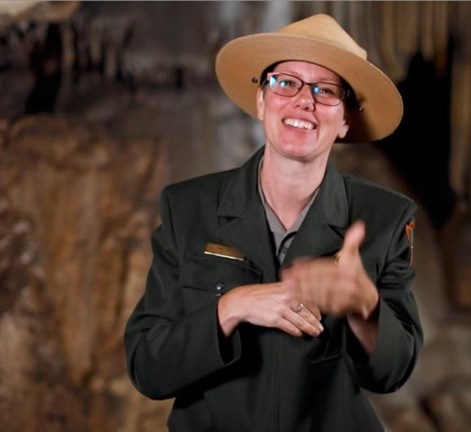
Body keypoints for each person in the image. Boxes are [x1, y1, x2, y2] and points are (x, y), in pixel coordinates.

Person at [124, 13, 423, 432]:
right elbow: (148, 368)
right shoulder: (188, 207)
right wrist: (232, 307)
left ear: (345, 121)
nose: (304, 101)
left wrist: (365, 307)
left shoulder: (386, 218)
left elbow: (392, 374)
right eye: (286, 83)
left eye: (326, 91)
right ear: (262, 100)